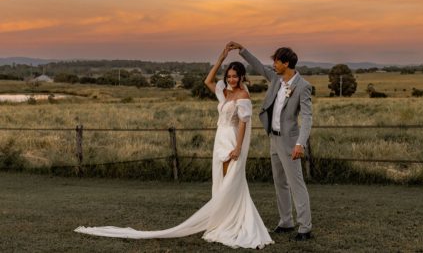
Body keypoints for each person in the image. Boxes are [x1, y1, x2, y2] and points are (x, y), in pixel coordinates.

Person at [74, 44, 274, 250]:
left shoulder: (243, 96)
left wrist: (239, 147)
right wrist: (221, 58)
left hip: (232, 140)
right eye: (229, 76)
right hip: (219, 139)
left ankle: (231, 222)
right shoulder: (225, 93)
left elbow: (243, 123)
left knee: (231, 183)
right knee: (221, 183)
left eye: (236, 76)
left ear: (242, 77)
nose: (232, 79)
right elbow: (207, 81)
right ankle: (223, 220)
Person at [228, 41, 313, 241]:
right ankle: (286, 222)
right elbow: (259, 67)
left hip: (290, 142)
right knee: (280, 183)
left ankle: (305, 227)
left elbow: (307, 118)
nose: (273, 65)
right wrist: (242, 51)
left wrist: (300, 144)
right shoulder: (275, 79)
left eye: (276, 61)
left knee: (296, 184)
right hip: (273, 139)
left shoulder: (303, 87)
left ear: (285, 63)